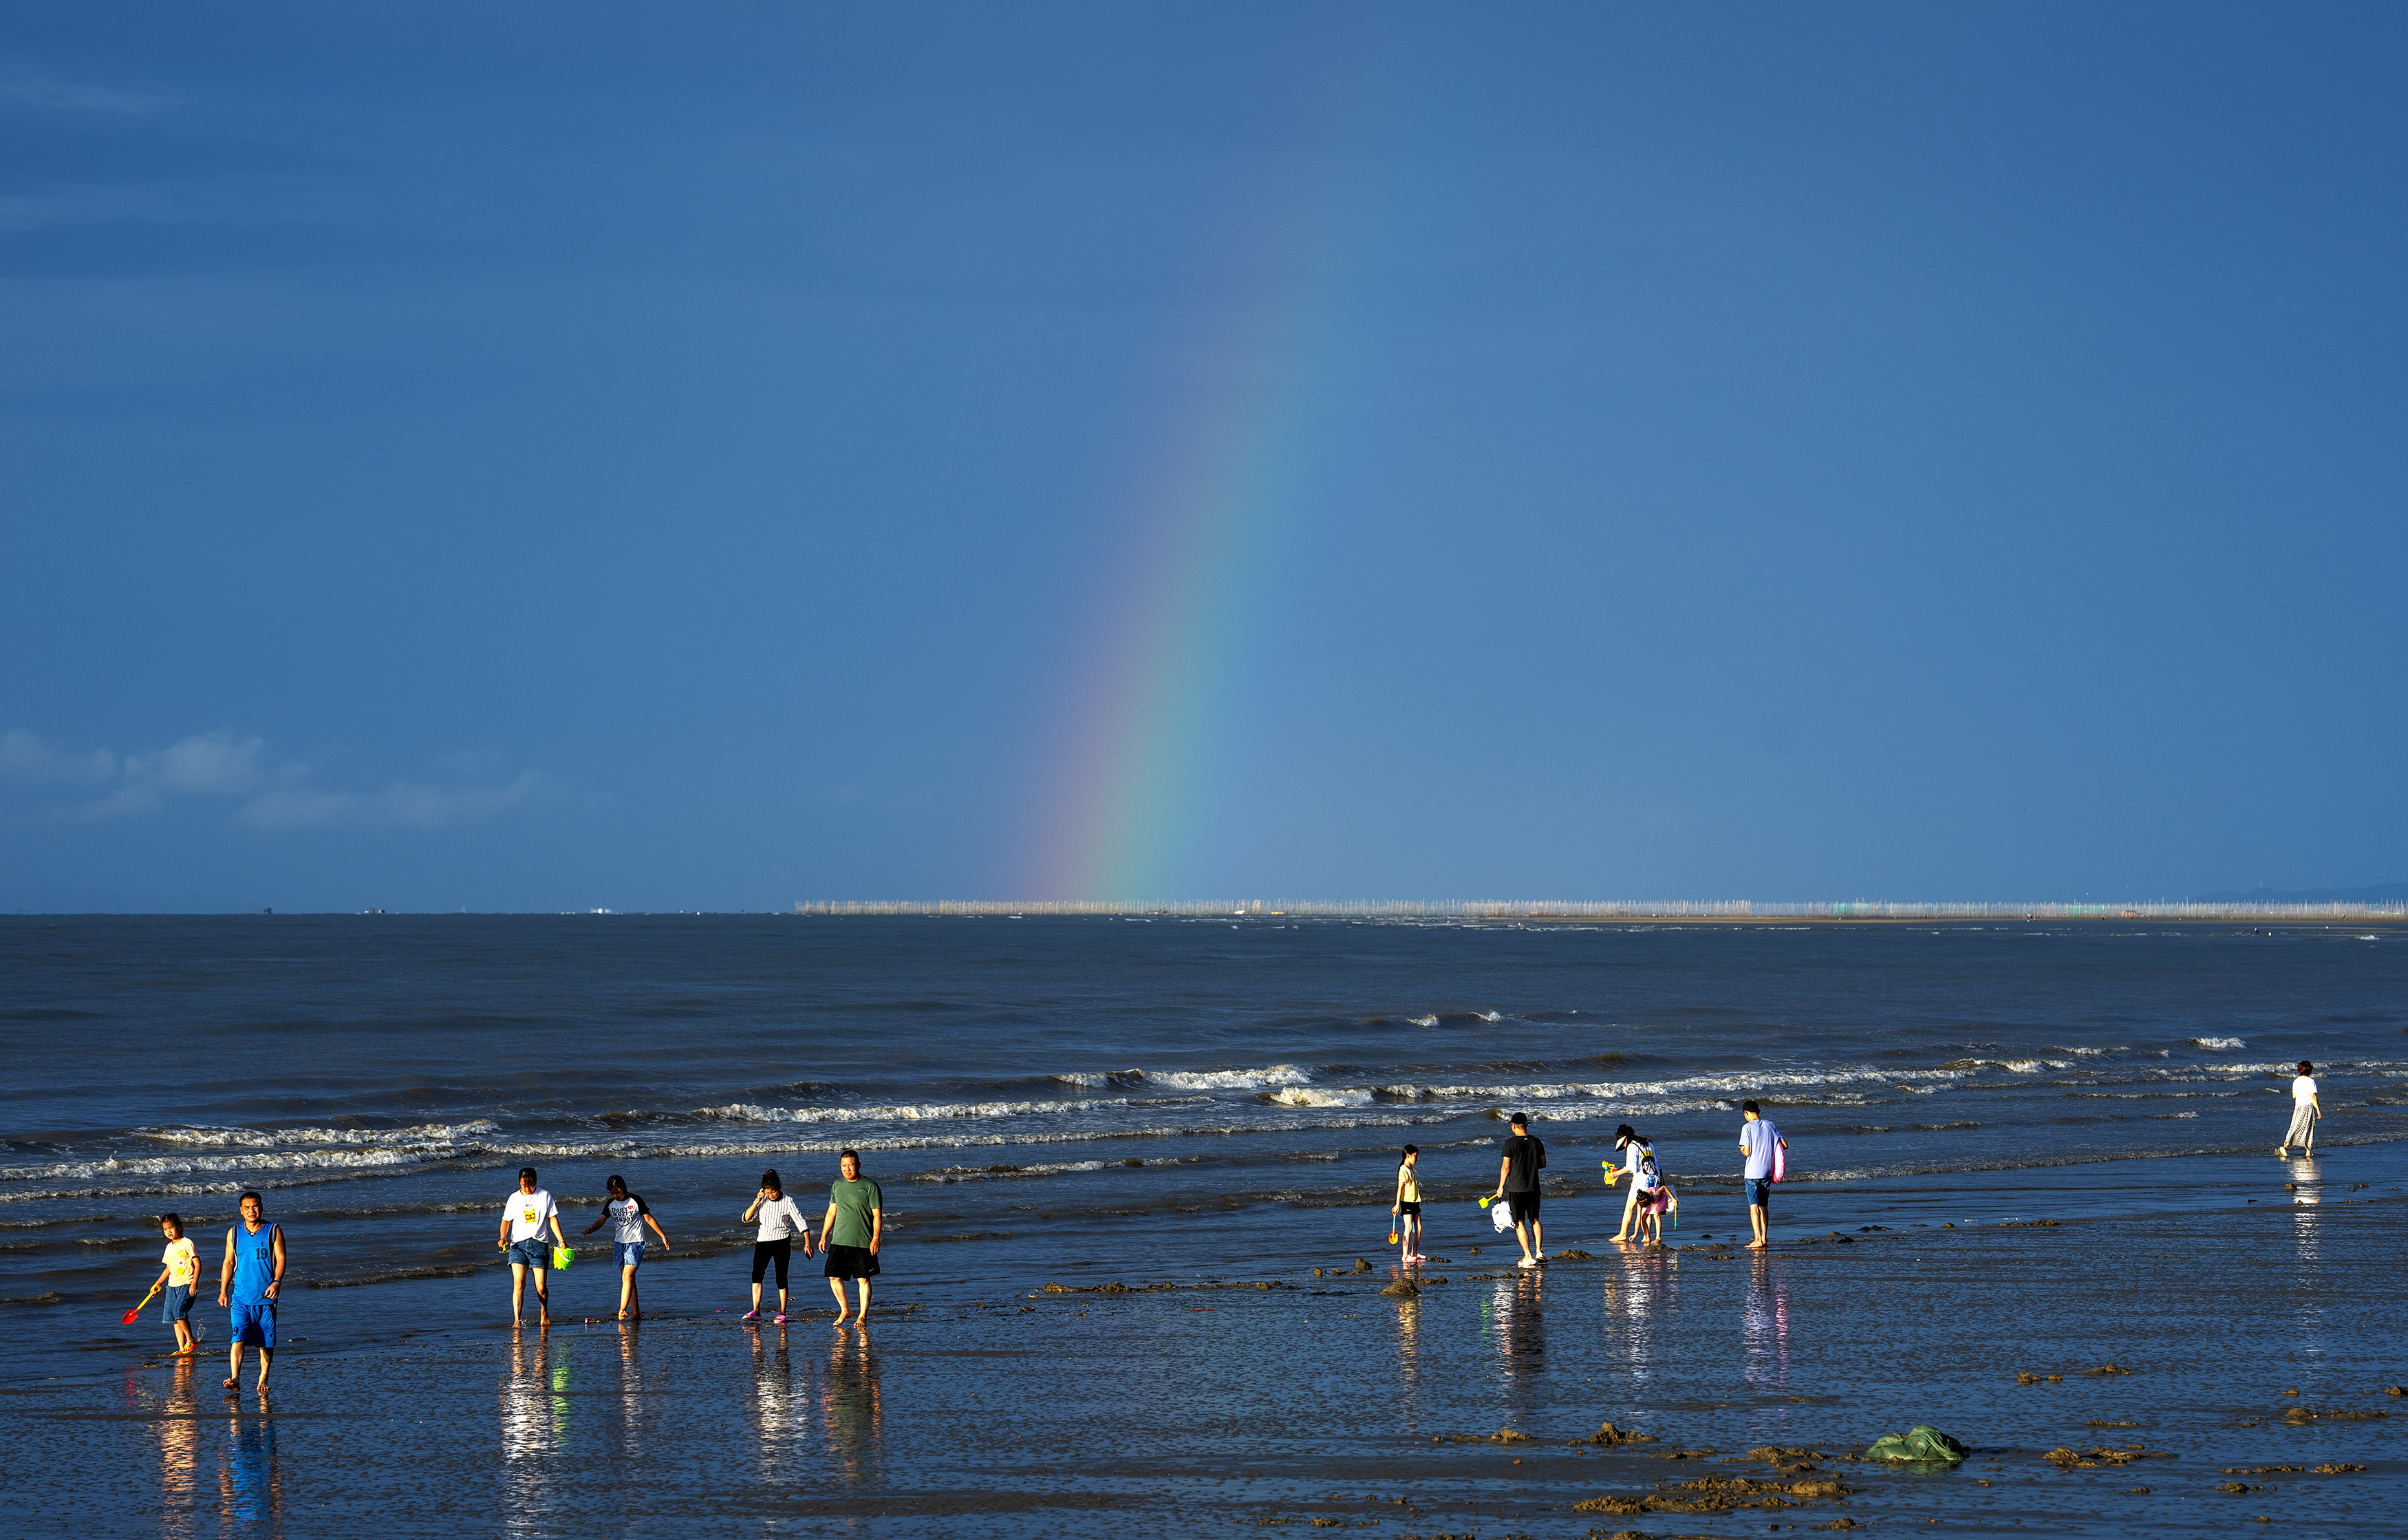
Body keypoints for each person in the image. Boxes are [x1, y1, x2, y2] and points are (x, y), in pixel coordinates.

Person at [217, 1191, 282, 1397]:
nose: (251, 1210)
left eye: (255, 1206)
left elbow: (281, 1258)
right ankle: (235, 1378)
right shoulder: (234, 1232)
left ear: (261, 1207)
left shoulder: (273, 1230)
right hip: (240, 1298)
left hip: (266, 1298)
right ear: (241, 1210)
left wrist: (277, 1282)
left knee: (266, 1342)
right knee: (238, 1337)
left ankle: (263, 1377)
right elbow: (228, 1262)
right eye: (247, 1207)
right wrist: (223, 1290)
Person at [581, 1174, 670, 1320]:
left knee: (627, 1276)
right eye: (612, 1193)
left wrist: (663, 1236)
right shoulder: (611, 1204)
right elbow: (601, 1220)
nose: (615, 1196)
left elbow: (648, 1218)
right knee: (629, 1279)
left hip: (636, 1242)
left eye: (618, 1192)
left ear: (624, 1189)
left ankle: (622, 1310)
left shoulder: (635, 1200)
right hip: (619, 1244)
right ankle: (636, 1314)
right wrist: (592, 1229)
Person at [497, 1167, 567, 1327]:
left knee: (541, 1287)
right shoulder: (514, 1198)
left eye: (531, 1185)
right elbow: (506, 1221)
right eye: (524, 1185)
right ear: (519, 1183)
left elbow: (552, 1219)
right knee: (519, 1283)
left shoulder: (544, 1195)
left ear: (536, 1182)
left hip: (539, 1244)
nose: (527, 1188)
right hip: (518, 1246)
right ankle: (517, 1320)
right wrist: (503, 1237)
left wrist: (561, 1240)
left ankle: (544, 1311)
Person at [819, 1149, 882, 1324]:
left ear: (859, 1166)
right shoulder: (837, 1185)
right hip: (839, 1240)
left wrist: (876, 1238)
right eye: (844, 1166)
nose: (847, 1169)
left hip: (863, 1242)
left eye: (851, 1166)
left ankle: (862, 1315)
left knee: (863, 1279)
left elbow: (877, 1215)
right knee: (833, 1276)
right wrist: (824, 1236)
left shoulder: (871, 1186)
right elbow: (832, 1212)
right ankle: (845, 1310)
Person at [742, 1168, 812, 1323]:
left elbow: (800, 1222)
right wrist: (757, 1201)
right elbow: (746, 1218)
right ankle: (756, 1311)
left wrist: (807, 1242)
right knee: (756, 1276)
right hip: (763, 1242)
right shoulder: (762, 1201)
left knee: (781, 1277)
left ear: (779, 1187)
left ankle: (782, 1312)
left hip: (782, 1242)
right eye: (767, 1192)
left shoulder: (788, 1201)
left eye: (773, 1191)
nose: (771, 1195)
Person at [1489, 1113, 1546, 1269]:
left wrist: (1501, 1186)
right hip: (1534, 1187)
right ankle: (1539, 1252)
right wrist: (1530, 1164)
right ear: (1527, 1125)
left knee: (1519, 1221)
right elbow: (1543, 1164)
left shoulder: (1510, 1143)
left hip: (1517, 1188)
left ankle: (1528, 1257)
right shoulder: (1536, 1142)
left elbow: (1506, 1167)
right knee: (1535, 1219)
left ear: (1513, 1126)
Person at [149, 1212, 200, 1356]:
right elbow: (168, 1269)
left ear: (179, 1227)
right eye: (166, 1229)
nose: (169, 1231)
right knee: (173, 1318)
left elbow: (197, 1263)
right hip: (172, 1286)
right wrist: (157, 1283)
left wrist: (194, 1283)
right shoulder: (169, 1247)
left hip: (187, 1284)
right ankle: (183, 1349)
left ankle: (191, 1340)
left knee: (179, 1313)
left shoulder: (187, 1243)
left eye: (171, 1228)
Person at [1739, 1100, 1787, 1250]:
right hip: (1767, 1172)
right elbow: (1784, 1145)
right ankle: (1764, 1238)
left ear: (1746, 1112)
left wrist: (1741, 1149)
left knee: (1753, 1206)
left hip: (1752, 1173)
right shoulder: (1770, 1125)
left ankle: (1757, 1239)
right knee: (1764, 1206)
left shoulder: (1747, 1128)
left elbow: (1746, 1152)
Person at [2277, 1060, 2321, 1157]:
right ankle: (2308, 1152)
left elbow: (2294, 1096)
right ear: (2310, 1070)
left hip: (2298, 1107)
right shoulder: (2311, 1081)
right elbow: (2313, 1097)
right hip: (2308, 1107)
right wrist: (2318, 1109)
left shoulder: (2296, 1081)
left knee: (2295, 1126)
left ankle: (2286, 1146)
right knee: (2308, 1128)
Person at [1391, 1145, 1426, 1263]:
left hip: (1415, 1201)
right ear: (1408, 1156)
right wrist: (1397, 1205)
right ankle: (1405, 1255)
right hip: (1407, 1202)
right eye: (1415, 1156)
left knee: (1419, 1228)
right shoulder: (1403, 1170)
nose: (1417, 1159)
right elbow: (1400, 1189)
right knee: (1409, 1228)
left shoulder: (1412, 1170)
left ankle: (1414, 1253)